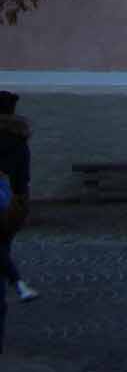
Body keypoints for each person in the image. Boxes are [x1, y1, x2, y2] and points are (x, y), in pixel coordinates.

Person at [0, 92, 37, 308]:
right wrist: (21, 201)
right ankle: (15, 284)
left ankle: (17, 283)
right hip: (13, 201)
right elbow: (23, 177)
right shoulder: (19, 141)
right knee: (4, 243)